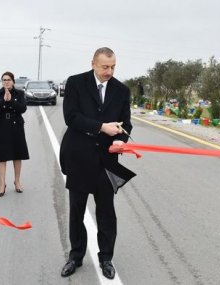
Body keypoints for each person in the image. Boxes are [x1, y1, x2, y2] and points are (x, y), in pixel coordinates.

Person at [59, 47, 136, 280]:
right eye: (105, 67)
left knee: (106, 212)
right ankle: (75, 256)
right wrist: (101, 127)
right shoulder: (75, 83)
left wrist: (121, 140)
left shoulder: (121, 90)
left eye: (113, 67)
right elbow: (71, 117)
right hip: (79, 158)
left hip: (106, 161)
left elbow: (126, 124)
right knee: (76, 211)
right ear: (93, 63)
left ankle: (106, 258)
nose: (109, 71)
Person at [0, 71, 29, 197]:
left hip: (16, 126)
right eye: (4, 80)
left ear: (13, 81)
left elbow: (23, 109)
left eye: (8, 79)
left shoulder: (20, 93)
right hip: (1, 126)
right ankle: (2, 185)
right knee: (1, 156)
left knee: (17, 155)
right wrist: (3, 101)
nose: (6, 82)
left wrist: (11, 101)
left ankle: (17, 182)